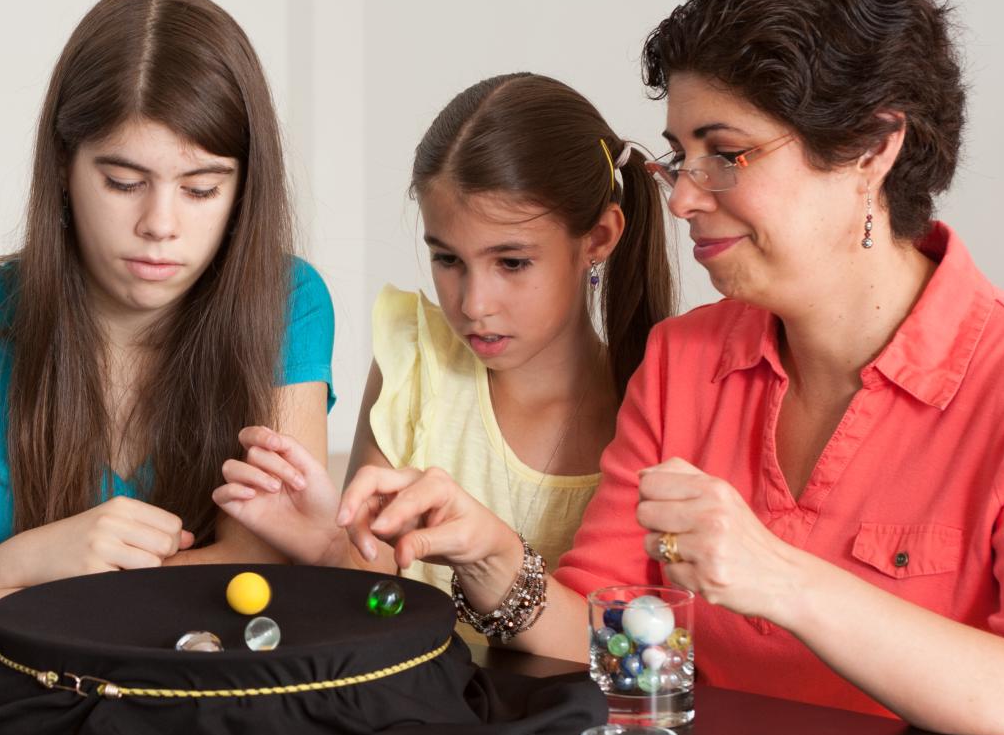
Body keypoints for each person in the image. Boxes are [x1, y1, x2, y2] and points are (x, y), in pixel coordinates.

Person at [335, 0, 1004, 735]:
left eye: (726, 153)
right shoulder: (685, 363)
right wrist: (491, 557)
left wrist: (784, 580)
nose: (684, 193)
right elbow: (611, 631)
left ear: (873, 149)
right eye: (678, 153)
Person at [0, 0, 335, 665]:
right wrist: (24, 562)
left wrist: (23, 607)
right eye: (125, 182)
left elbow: (276, 560)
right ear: (64, 170)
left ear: (243, 192)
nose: (160, 225)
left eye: (201, 188)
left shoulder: (286, 302)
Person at [214, 73, 673, 593]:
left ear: (600, 238)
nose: (473, 304)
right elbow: (374, 587)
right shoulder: (414, 362)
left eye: (513, 262)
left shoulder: (659, 405)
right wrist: (329, 544)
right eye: (447, 259)